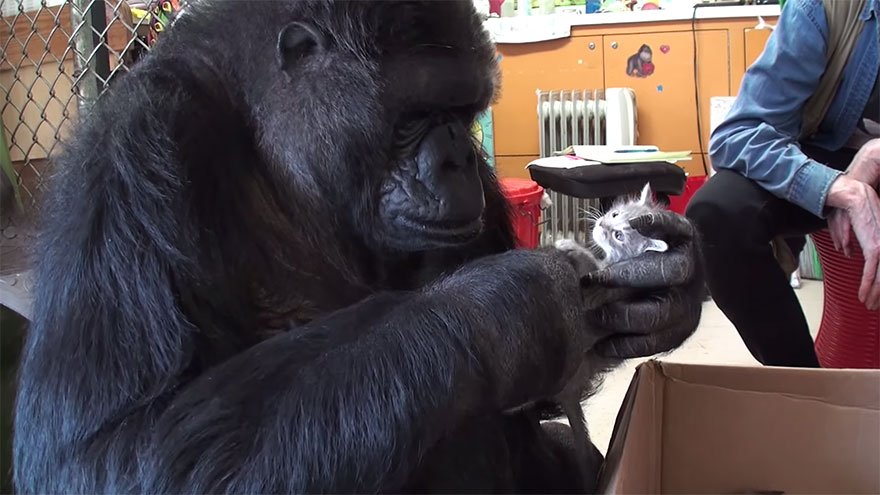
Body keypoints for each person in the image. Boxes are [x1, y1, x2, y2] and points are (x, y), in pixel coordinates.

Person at [686, 0, 880, 367]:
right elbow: (737, 134)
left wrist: (875, 153)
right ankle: (802, 386)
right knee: (718, 214)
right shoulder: (823, 8)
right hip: (831, 155)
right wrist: (838, 188)